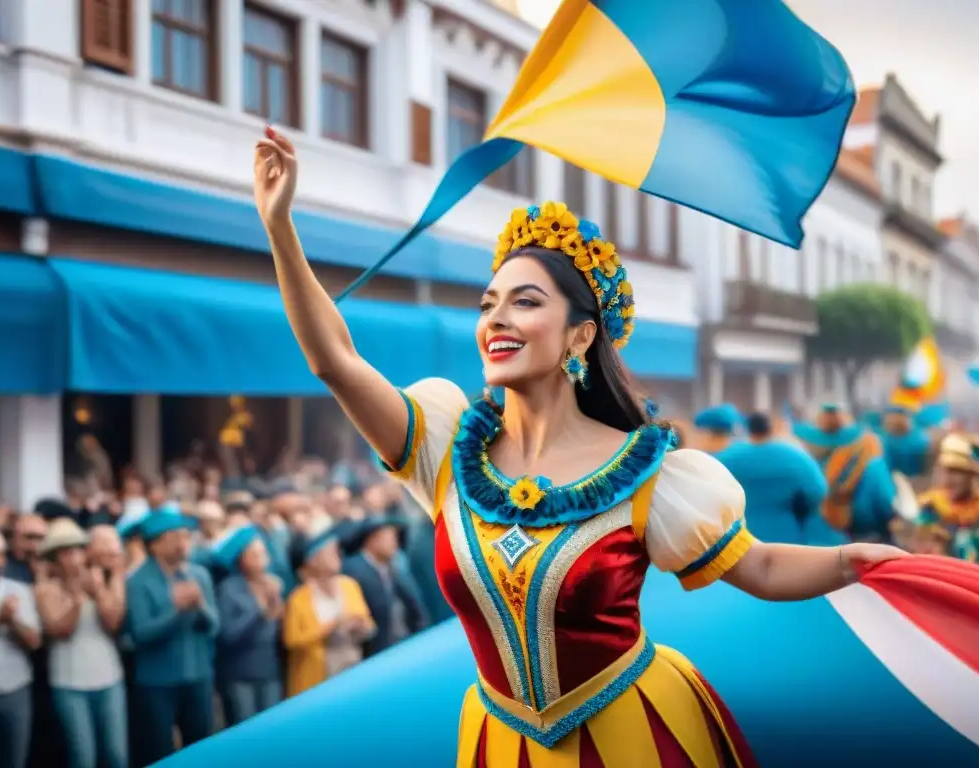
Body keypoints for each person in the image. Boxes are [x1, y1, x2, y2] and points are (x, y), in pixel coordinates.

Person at [253, 128, 907, 766]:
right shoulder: (444, 448)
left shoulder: (653, 476)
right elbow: (334, 361)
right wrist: (280, 228)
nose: (496, 320)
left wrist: (853, 560)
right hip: (500, 745)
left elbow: (758, 568)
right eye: (489, 304)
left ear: (577, 337)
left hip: (635, 735)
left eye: (525, 302)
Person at [125, 505, 218, 764]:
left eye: (185, 536)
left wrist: (200, 606)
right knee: (158, 752)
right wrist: (175, 612)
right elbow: (141, 634)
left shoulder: (198, 574)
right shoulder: (137, 581)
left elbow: (213, 627)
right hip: (157, 683)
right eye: (173, 537)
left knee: (202, 749)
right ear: (154, 545)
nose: (182, 543)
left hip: (197, 676)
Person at [33, 519, 127, 768]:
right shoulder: (45, 588)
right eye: (65, 552)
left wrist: (98, 592)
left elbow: (114, 622)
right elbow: (60, 630)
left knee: (117, 754)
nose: (73, 557)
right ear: (54, 558)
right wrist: (77, 599)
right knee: (82, 757)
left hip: (109, 678)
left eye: (77, 549)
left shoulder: (103, 579)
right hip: (69, 682)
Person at [284, 522, 374, 697]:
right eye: (330, 552)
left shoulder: (349, 585)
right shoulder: (298, 598)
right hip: (318, 677)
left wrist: (361, 626)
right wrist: (330, 626)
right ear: (313, 560)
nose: (337, 555)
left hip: (352, 666)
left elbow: (369, 625)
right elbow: (292, 640)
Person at [0, 526, 41, 768]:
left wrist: (13, 621)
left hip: (14, 692)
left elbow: (34, 642)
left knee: (14, 761)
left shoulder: (19, 591)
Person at [717, 413, 830, 545]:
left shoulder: (726, 458)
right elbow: (818, 491)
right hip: (785, 537)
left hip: (738, 540)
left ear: (748, 429)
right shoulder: (794, 456)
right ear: (770, 429)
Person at [795, 403, 897, 543]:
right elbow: (884, 500)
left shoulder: (797, 452)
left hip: (810, 540)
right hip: (863, 535)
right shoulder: (867, 447)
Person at [213, 525, 284, 725]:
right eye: (254, 554)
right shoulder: (229, 589)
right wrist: (259, 612)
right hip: (240, 674)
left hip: (269, 671)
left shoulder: (273, 583)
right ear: (241, 559)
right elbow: (228, 635)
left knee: (271, 727)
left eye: (263, 553)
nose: (261, 559)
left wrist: (278, 606)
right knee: (244, 726)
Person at [911, 434, 979, 571]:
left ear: (975, 475)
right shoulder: (930, 507)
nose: (947, 480)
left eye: (956, 472)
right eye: (945, 471)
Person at [339, 516, 427, 658]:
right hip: (378, 651)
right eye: (389, 538)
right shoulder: (355, 571)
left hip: (403, 642)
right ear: (372, 540)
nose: (395, 544)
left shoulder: (392, 566)